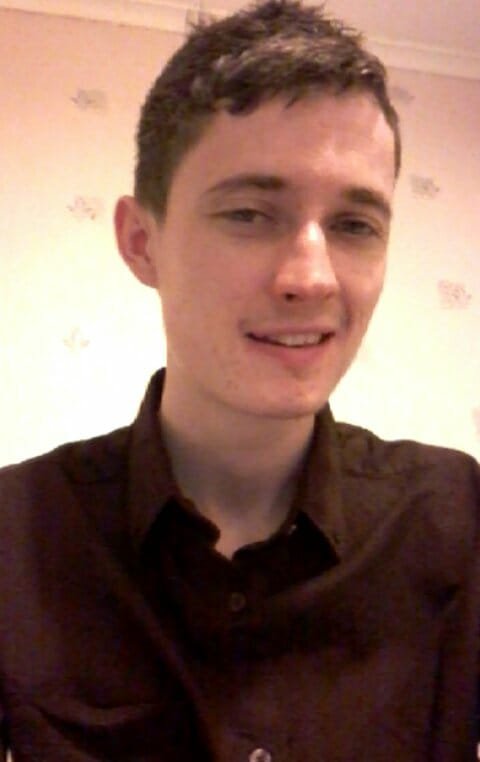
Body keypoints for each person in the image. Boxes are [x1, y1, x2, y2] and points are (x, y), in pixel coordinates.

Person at [0, 0, 479, 759]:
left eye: (354, 225)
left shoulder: (458, 522)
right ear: (141, 242)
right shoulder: (16, 535)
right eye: (251, 214)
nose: (311, 278)